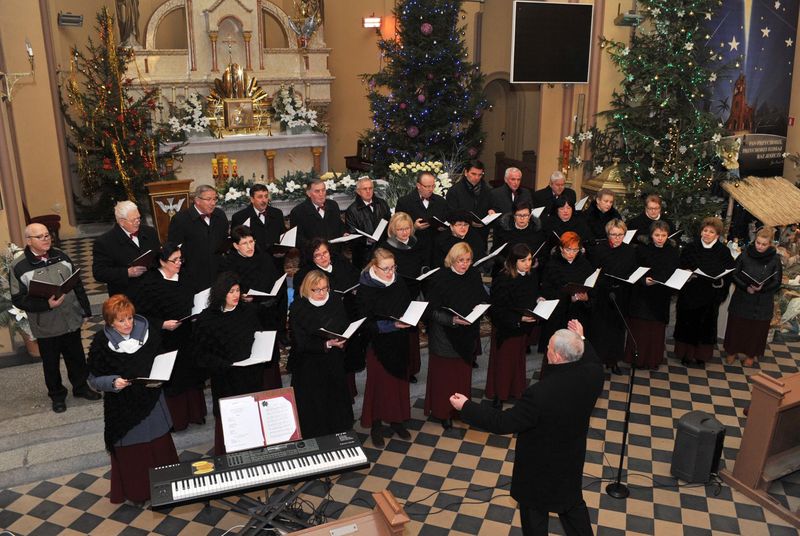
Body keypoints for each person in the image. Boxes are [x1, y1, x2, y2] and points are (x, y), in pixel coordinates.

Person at [450, 320, 603, 536]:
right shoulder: (594, 376)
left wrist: (466, 407)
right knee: (572, 509)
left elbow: (503, 422)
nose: (546, 352)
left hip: (537, 469)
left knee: (535, 520)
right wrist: (581, 337)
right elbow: (593, 360)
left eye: (549, 348)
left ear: (557, 357)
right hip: (570, 460)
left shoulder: (540, 393)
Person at [87, 295, 178, 504]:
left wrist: (160, 377)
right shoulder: (101, 343)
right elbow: (93, 379)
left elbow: (162, 360)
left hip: (153, 402)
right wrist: (112, 382)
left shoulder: (150, 334)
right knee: (134, 456)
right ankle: (139, 493)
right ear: (110, 322)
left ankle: (169, 489)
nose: (128, 324)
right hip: (123, 410)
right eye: (121, 320)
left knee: (160, 449)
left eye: (130, 318)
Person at [10, 223, 100, 413]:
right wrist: (46, 305)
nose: (46, 239)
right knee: (51, 364)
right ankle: (57, 396)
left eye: (47, 235)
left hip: (71, 319)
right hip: (46, 324)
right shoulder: (19, 266)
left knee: (76, 357)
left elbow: (77, 284)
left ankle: (81, 387)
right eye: (40, 237)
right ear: (29, 241)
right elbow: (18, 299)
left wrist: (85, 310)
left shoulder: (61, 255)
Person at [135, 243, 207, 430]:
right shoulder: (149, 283)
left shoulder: (185, 276)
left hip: (187, 335)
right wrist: (162, 324)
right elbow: (140, 316)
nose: (179, 263)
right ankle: (177, 420)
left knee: (192, 374)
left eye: (181, 259)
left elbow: (195, 300)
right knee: (173, 379)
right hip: (164, 340)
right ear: (161, 261)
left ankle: (196, 414)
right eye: (174, 260)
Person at [194, 272, 265, 454]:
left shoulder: (248, 311)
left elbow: (259, 338)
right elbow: (202, 354)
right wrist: (223, 364)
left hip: (250, 375)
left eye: (237, 290)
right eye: (231, 291)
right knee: (231, 423)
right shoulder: (207, 319)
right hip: (225, 379)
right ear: (220, 293)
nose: (235, 295)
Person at [424, 242, 489, 429]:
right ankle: (443, 412)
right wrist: (453, 320)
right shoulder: (440, 278)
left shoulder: (473, 275)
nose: (465, 264)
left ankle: (461, 410)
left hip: (467, 333)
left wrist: (480, 308)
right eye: (461, 260)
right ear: (452, 259)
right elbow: (432, 311)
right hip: (444, 336)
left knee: (461, 376)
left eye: (468, 260)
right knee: (445, 378)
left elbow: (481, 298)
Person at [356, 248, 414, 447]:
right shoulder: (366, 288)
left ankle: (397, 421)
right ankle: (376, 425)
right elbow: (364, 322)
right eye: (386, 268)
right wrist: (390, 325)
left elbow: (407, 304)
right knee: (379, 386)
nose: (391, 273)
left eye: (393, 267)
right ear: (374, 267)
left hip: (399, 340)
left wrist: (410, 317)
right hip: (378, 344)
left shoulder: (399, 282)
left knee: (398, 383)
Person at [289, 270, 354, 438]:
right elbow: (299, 342)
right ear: (307, 289)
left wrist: (342, 338)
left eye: (325, 289)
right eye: (316, 290)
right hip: (308, 367)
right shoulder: (298, 307)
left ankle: (339, 437)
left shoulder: (334, 300)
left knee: (335, 402)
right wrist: (325, 343)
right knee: (314, 407)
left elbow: (344, 323)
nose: (321, 293)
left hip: (333, 363)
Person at [219, 225, 286, 388]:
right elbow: (226, 292)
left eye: (251, 242)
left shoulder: (263, 257)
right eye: (245, 243)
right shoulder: (230, 265)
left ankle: (273, 391)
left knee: (270, 356)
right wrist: (240, 297)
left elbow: (276, 281)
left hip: (268, 314)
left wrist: (273, 296)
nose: (250, 247)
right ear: (235, 246)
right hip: (247, 319)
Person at [674, 217, 736, 368]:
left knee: (705, 327)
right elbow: (681, 266)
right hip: (690, 294)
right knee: (688, 324)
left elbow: (729, 274)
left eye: (711, 232)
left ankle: (701, 356)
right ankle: (686, 354)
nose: (707, 234)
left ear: (717, 235)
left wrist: (720, 290)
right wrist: (687, 274)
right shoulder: (691, 247)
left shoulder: (723, 251)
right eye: (705, 230)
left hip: (710, 296)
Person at [487, 244, 540, 408]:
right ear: (513, 261)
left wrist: (538, 300)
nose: (527, 264)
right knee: (504, 363)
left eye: (530, 259)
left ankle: (516, 390)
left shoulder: (531, 276)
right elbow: (497, 309)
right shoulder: (503, 278)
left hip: (521, 327)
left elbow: (531, 295)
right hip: (507, 327)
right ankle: (499, 395)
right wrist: (519, 318)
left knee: (517, 361)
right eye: (523, 260)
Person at [625, 221, 680, 370]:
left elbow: (675, 271)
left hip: (661, 295)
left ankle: (653, 359)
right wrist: (643, 280)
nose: (660, 238)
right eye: (657, 235)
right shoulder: (641, 250)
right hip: (642, 294)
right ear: (651, 235)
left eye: (663, 235)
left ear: (668, 235)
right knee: (641, 329)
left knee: (656, 331)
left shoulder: (673, 251)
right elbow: (632, 269)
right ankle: (637, 359)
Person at [724, 227, 782, 367]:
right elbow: (734, 274)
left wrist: (762, 288)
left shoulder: (775, 259)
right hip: (743, 297)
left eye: (764, 244)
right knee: (737, 325)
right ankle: (732, 352)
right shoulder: (744, 254)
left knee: (756, 330)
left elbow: (777, 281)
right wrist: (745, 287)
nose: (760, 246)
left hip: (762, 301)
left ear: (770, 245)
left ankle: (751, 355)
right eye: (758, 243)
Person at [377, 212, 425, 382]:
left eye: (407, 228)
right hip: (396, 295)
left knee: (412, 331)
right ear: (393, 230)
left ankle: (411, 368)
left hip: (415, 291)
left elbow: (422, 262)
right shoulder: (386, 248)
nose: (404, 233)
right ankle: (401, 367)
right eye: (400, 229)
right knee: (399, 331)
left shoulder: (416, 243)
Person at [538, 232, 594, 376]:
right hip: (558, 316)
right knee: (556, 352)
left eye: (575, 250)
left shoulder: (584, 264)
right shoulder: (552, 264)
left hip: (578, 314)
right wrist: (569, 298)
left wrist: (586, 297)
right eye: (568, 249)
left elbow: (592, 286)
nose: (571, 253)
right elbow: (547, 291)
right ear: (561, 248)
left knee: (576, 352)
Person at [588, 219, 637, 375]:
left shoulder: (630, 250)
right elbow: (594, 272)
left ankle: (613, 361)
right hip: (602, 294)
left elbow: (632, 270)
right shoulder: (599, 249)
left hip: (621, 294)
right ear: (607, 234)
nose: (617, 238)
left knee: (617, 330)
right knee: (600, 330)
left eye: (620, 235)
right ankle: (598, 362)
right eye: (613, 234)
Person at [92, 200, 161, 300]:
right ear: (122, 222)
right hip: (126, 297)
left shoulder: (150, 232)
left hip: (153, 292)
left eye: (139, 218)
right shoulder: (105, 242)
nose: (138, 222)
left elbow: (158, 257)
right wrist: (127, 272)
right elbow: (99, 273)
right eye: (133, 220)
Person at [167, 185, 230, 293]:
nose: (213, 203)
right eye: (208, 199)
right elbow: (174, 250)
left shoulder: (220, 215)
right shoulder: (181, 219)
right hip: (194, 277)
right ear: (197, 200)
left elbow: (224, 242)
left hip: (218, 274)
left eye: (215, 199)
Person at [395, 170, 448, 266]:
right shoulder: (404, 202)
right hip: (414, 249)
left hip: (435, 250)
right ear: (418, 186)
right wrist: (414, 227)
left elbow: (446, 220)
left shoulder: (441, 202)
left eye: (433, 186)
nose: (431, 189)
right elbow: (396, 227)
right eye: (427, 186)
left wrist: (443, 227)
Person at [229, 183, 287, 271]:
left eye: (266, 196)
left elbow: (283, 235)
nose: (264, 200)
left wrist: (283, 250)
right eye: (260, 197)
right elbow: (235, 244)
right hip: (251, 265)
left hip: (275, 263)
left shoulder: (277, 213)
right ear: (252, 199)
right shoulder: (239, 217)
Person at [344, 176, 391, 268]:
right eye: (365, 189)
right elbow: (351, 235)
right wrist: (366, 241)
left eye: (370, 188)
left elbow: (389, 223)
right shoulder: (352, 210)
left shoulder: (382, 204)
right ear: (358, 191)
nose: (368, 191)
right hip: (364, 255)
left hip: (383, 249)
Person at [446, 160, 493, 246]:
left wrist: (492, 210)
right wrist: (470, 222)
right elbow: (451, 214)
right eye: (473, 174)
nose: (476, 178)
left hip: (482, 233)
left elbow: (493, 206)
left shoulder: (487, 190)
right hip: (462, 235)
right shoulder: (455, 191)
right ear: (466, 172)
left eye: (480, 175)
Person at [289, 178, 346, 249]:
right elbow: (297, 238)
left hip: (335, 252)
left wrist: (344, 233)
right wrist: (316, 247)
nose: (321, 194)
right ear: (308, 193)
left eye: (323, 190)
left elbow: (339, 224)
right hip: (312, 254)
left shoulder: (333, 205)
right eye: (317, 191)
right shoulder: (298, 212)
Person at [492, 201, 547, 271]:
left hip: (530, 269)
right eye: (519, 215)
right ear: (513, 216)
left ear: (530, 216)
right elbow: (495, 252)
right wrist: (506, 263)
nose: (522, 218)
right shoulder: (503, 229)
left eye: (525, 215)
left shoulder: (537, 231)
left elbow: (542, 254)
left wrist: (535, 263)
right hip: (507, 269)